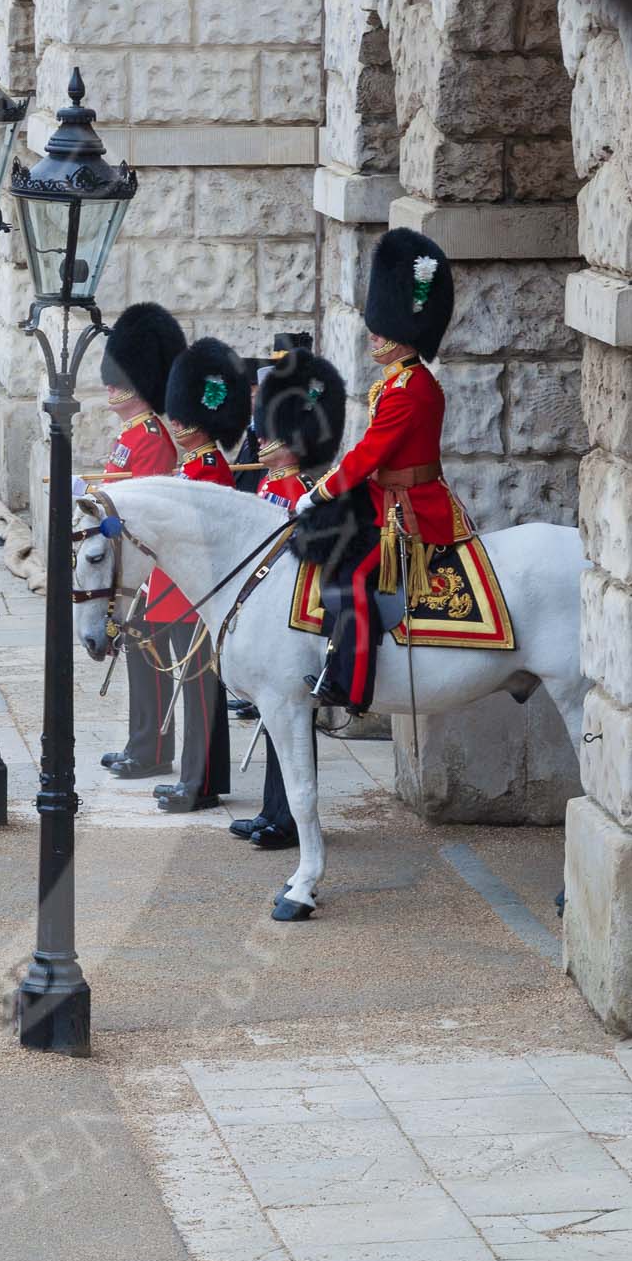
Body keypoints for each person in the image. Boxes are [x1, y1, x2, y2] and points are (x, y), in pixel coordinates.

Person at [296, 228, 469, 712]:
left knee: (353, 579)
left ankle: (352, 689)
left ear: (405, 334)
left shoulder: (410, 390)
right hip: (384, 501)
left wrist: (320, 493)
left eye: (383, 328)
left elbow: (368, 455)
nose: (374, 334)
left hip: (410, 512)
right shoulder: (397, 382)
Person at [229, 349, 347, 850]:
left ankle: (287, 818)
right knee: (277, 725)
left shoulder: (300, 485)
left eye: (269, 430)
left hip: (296, 611)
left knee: (291, 726)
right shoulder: (271, 482)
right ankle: (272, 811)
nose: (259, 438)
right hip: (270, 606)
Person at [147, 337, 250, 814]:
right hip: (177, 591)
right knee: (192, 693)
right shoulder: (188, 468)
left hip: (198, 594)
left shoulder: (211, 471)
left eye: (184, 414)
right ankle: (194, 778)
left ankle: (202, 782)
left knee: (202, 694)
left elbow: (200, 538)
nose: (176, 421)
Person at [86, 302, 186, 783]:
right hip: (130, 567)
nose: (110, 384)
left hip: (148, 568)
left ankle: (153, 750)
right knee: (137, 661)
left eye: (118, 378)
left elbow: (144, 510)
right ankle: (139, 742)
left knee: (151, 662)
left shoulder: (150, 436)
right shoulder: (129, 434)